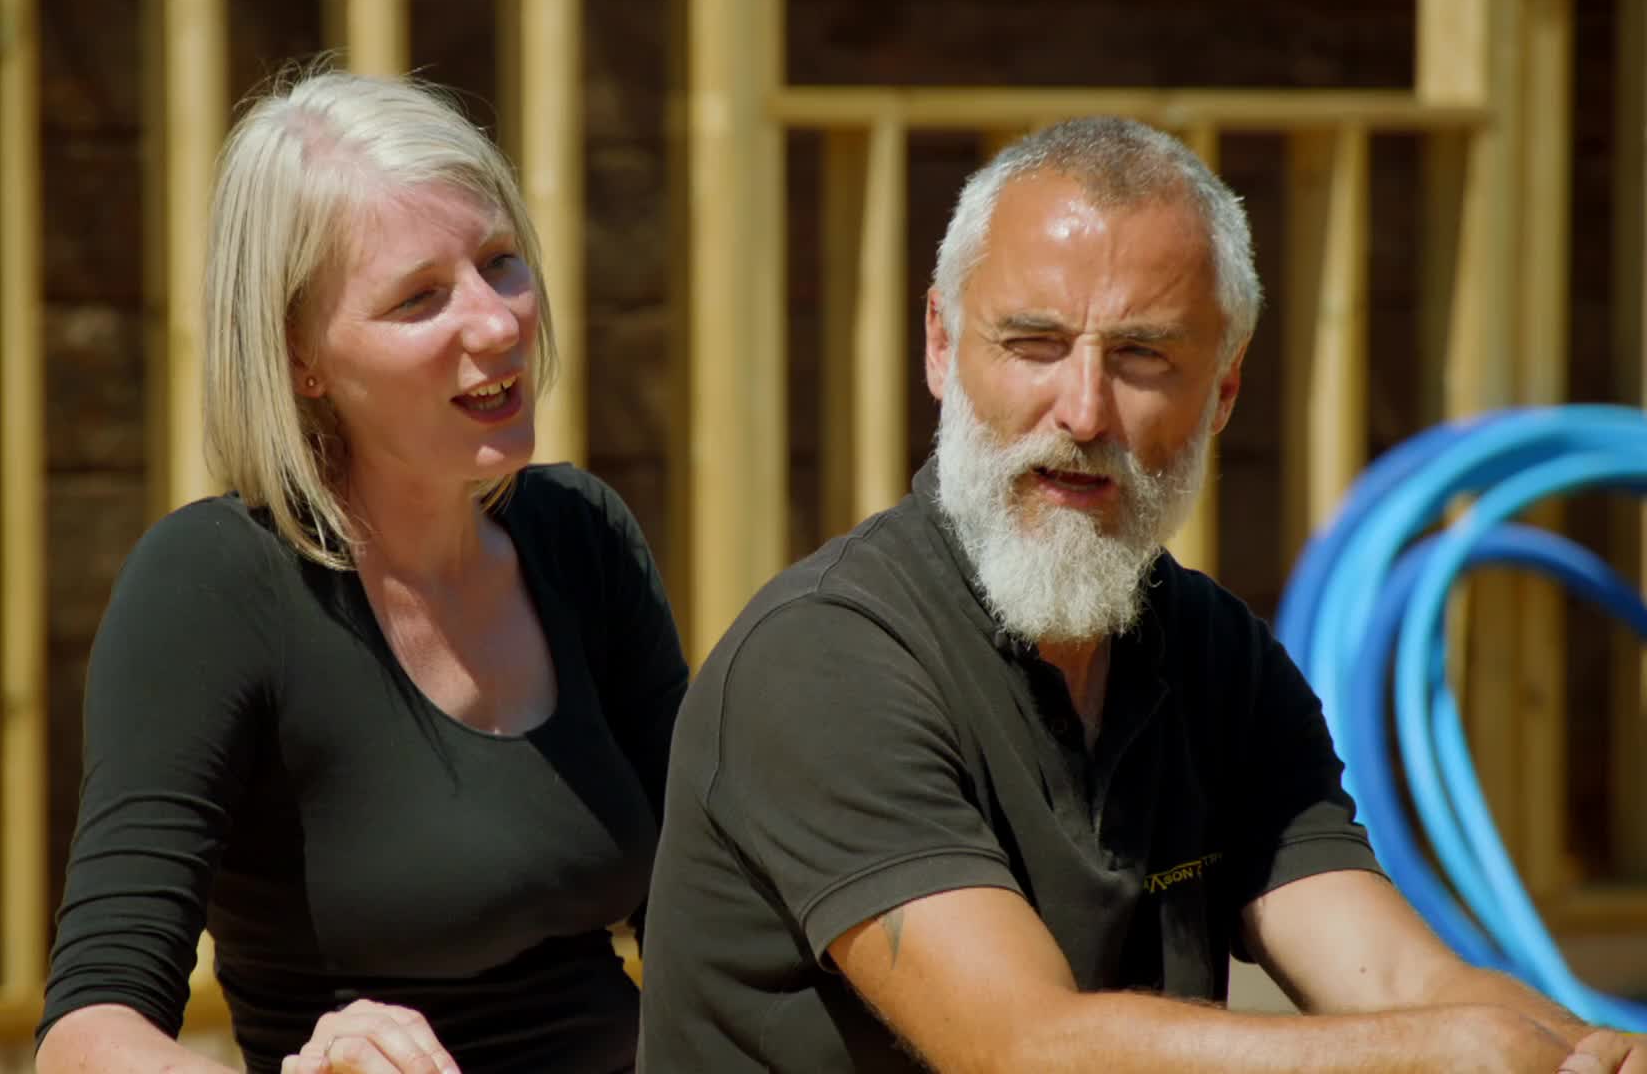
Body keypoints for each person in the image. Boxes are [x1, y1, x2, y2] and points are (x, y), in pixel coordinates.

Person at [635, 117, 1644, 1073]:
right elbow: (1022, 1050)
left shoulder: (1215, 653)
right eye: (1033, 344)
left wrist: (1583, 1051)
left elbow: (1397, 978)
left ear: (1224, 390)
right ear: (941, 345)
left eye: (1141, 356)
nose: (1082, 411)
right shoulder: (823, 660)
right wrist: (1430, 1053)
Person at [35, 68, 687, 1074]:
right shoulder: (214, 587)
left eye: (500, 262)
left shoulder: (581, 536)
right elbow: (88, 1034)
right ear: (302, 356)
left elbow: (708, 913)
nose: (497, 321)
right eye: (420, 298)